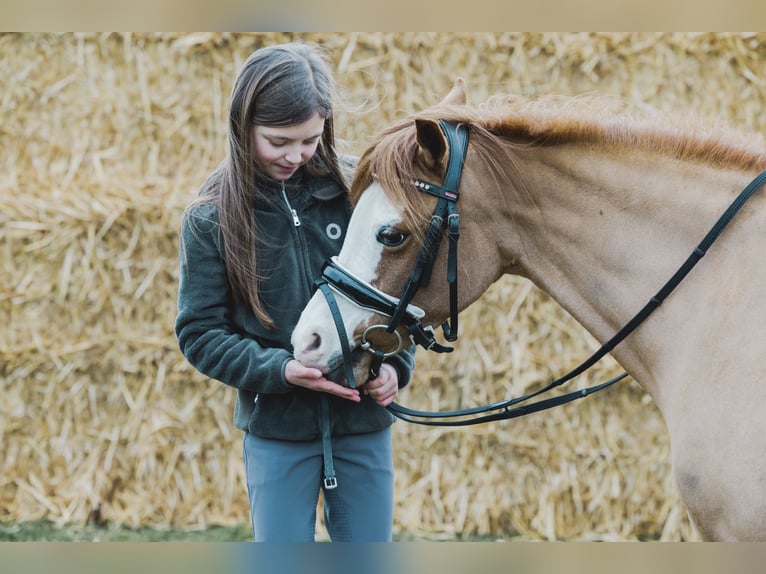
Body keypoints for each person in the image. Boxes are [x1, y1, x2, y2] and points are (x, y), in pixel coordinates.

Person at [174, 41, 416, 542]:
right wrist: (280, 370)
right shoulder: (210, 218)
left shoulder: (358, 193)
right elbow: (199, 333)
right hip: (277, 431)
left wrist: (396, 367)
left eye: (309, 139)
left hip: (362, 425)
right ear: (243, 127)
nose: (295, 155)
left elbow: (397, 291)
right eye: (278, 140)